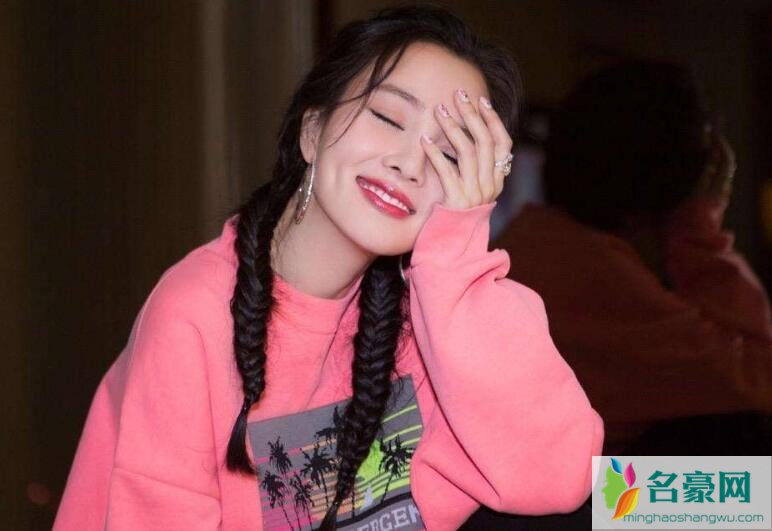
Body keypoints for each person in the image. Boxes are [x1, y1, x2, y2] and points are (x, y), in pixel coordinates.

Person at [53, 6, 603, 530]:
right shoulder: (194, 312)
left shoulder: (437, 310)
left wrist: (456, 256)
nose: (409, 164)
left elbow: (564, 480)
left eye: (451, 154)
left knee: (648, 500)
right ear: (312, 131)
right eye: (388, 118)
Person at [494, 60, 771, 456]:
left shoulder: (535, 239)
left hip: (557, 485)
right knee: (745, 480)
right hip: (570, 494)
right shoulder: (589, 274)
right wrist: (700, 229)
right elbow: (760, 376)